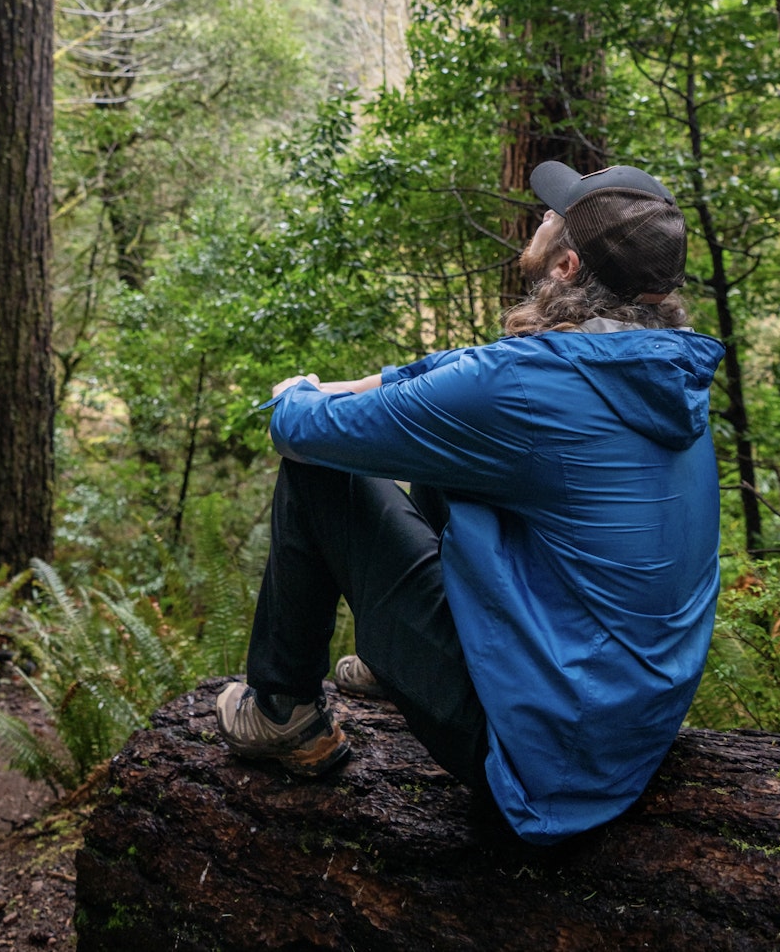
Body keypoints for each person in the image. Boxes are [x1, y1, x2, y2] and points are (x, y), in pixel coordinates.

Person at [215, 160, 725, 846]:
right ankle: (398, 664)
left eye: (552, 216)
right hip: (623, 722)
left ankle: (283, 714)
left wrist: (296, 397)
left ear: (567, 265)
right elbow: (452, 377)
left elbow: (302, 433)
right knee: (447, 448)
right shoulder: (663, 372)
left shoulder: (522, 389)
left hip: (540, 760)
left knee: (319, 472)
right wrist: (346, 385)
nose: (541, 215)